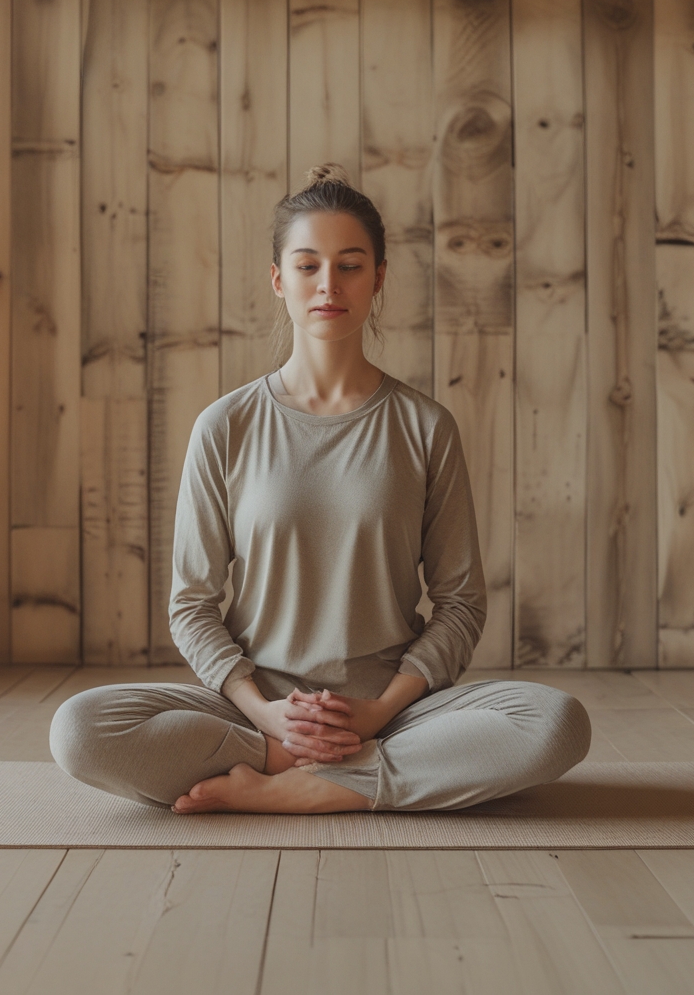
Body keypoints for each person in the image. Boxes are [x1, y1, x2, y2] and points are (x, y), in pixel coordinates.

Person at [49, 164, 591, 814]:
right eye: (307, 266)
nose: (328, 284)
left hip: (392, 715)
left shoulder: (424, 427)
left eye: (351, 265)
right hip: (254, 713)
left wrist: (377, 711)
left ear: (379, 278)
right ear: (279, 280)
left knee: (555, 722)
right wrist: (269, 716)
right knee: (79, 730)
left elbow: (459, 603)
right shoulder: (226, 425)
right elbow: (192, 605)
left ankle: (308, 786)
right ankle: (316, 770)